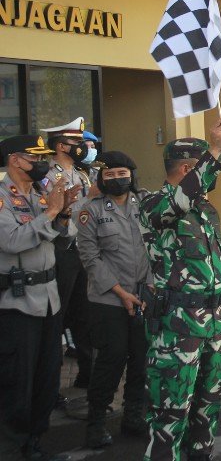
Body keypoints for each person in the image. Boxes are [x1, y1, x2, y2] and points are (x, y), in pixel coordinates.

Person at [138, 121, 221, 461]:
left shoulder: (205, 211)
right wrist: (214, 149)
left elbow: (218, 267)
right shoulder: (154, 205)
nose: (213, 178)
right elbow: (179, 199)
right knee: (171, 413)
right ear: (187, 169)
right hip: (177, 330)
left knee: (207, 408)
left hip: (212, 326)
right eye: (206, 169)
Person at [0, 134, 77, 461]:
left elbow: (63, 240)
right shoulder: (3, 197)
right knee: (18, 381)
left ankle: (35, 443)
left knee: (47, 379)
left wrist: (62, 213)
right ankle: (12, 448)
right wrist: (50, 215)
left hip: (49, 299)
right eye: (35, 157)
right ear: (15, 160)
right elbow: (12, 241)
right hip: (17, 303)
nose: (42, 163)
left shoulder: (40, 194)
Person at [74, 151, 149, 449]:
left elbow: (154, 248)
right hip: (109, 300)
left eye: (122, 174)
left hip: (144, 295)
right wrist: (121, 292)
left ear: (131, 175)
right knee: (112, 359)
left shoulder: (144, 203)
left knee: (141, 358)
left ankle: (133, 415)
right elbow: (90, 259)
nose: (117, 179)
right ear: (101, 179)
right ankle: (96, 422)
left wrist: (149, 290)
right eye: (110, 175)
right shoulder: (89, 211)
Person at [41, 118, 95, 393]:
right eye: (76, 143)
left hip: (82, 252)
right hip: (61, 252)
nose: (82, 147)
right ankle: (51, 387)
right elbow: (57, 217)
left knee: (85, 316)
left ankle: (87, 374)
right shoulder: (49, 177)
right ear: (61, 146)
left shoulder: (83, 175)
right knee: (57, 320)